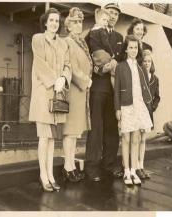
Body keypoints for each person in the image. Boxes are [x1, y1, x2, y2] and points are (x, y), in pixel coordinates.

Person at [29, 8, 71, 192]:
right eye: (51, 20)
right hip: (43, 92)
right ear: (45, 22)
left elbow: (68, 65)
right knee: (44, 137)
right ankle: (43, 174)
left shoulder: (63, 44)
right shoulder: (37, 39)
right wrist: (54, 81)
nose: (54, 23)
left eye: (57, 21)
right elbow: (39, 63)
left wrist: (64, 78)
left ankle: (51, 174)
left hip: (58, 93)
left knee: (53, 138)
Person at [85, 3, 123, 181]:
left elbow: (122, 61)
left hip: (114, 89)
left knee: (112, 128)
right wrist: (101, 69)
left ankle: (109, 164)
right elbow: (89, 57)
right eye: (110, 13)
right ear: (102, 15)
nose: (113, 16)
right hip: (99, 86)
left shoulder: (119, 37)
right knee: (96, 128)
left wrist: (115, 65)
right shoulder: (92, 33)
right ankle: (92, 167)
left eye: (115, 14)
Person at [114, 35, 153, 185]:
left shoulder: (141, 67)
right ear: (126, 49)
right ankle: (126, 172)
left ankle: (134, 170)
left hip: (139, 105)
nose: (133, 50)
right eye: (130, 47)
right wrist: (117, 109)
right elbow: (116, 89)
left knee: (136, 138)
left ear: (139, 49)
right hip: (126, 106)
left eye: (135, 47)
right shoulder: (121, 66)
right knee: (126, 138)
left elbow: (145, 88)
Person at [62, 7, 93, 182]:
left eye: (80, 21)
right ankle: (68, 168)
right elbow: (71, 67)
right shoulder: (68, 42)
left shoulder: (80, 42)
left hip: (81, 93)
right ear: (68, 25)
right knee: (70, 132)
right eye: (74, 22)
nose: (78, 25)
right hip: (74, 91)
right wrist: (85, 81)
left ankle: (71, 166)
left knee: (74, 133)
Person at [138, 50, 160, 179]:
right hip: (139, 111)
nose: (147, 63)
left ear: (152, 63)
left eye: (149, 61)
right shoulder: (139, 76)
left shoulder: (155, 79)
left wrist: (152, 107)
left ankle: (141, 165)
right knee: (136, 139)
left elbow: (157, 96)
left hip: (148, 112)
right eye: (145, 61)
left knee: (143, 140)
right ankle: (134, 166)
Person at [86, 8, 117, 87]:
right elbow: (106, 44)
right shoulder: (100, 31)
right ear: (97, 19)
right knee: (115, 66)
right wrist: (112, 54)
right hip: (98, 83)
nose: (106, 23)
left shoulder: (119, 36)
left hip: (96, 56)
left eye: (107, 20)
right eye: (104, 20)